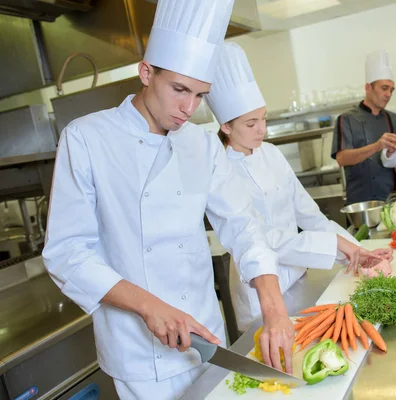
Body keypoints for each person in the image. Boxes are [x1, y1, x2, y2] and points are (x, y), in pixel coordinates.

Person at [42, 1, 295, 398]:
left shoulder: (201, 145)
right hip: (139, 352)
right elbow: (67, 252)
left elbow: (242, 225)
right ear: (146, 72)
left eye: (199, 95)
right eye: (179, 89)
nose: (188, 109)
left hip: (206, 335)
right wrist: (148, 306)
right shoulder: (87, 138)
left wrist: (274, 309)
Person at [204, 43, 392, 332]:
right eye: (251, 123)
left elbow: (309, 215)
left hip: (299, 279)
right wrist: (334, 245)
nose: (261, 130)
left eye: (263, 119)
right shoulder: (221, 170)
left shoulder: (270, 153)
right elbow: (262, 238)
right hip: (260, 298)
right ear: (226, 127)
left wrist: (357, 250)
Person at [331, 50, 396, 205]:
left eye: (391, 90)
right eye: (384, 88)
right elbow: (342, 159)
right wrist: (377, 146)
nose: (388, 94)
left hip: (392, 201)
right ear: (368, 87)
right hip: (360, 204)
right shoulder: (347, 119)